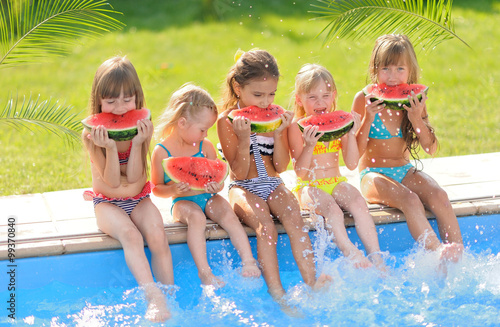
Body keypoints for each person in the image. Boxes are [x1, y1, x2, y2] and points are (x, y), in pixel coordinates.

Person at [217, 50, 331, 307]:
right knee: (266, 229)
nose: (265, 102)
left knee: (295, 219)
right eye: (257, 95)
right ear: (238, 87)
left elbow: (279, 166)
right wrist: (244, 138)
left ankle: (311, 281)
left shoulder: (277, 116)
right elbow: (239, 172)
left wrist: (280, 134)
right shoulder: (226, 121)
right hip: (243, 186)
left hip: (273, 182)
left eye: (271, 94)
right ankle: (278, 293)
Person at [351, 34, 463, 262]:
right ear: (375, 69)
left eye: (400, 69)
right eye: (386, 69)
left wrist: (416, 118)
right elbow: (353, 155)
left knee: (440, 195)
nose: (392, 77)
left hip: (404, 170)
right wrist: (367, 120)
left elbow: (430, 148)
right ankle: (437, 251)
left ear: (411, 70)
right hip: (372, 175)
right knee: (410, 200)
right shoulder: (363, 99)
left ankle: (458, 254)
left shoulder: (415, 99)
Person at [82, 56, 173, 322]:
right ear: (98, 101)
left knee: (157, 234)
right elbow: (111, 181)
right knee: (131, 237)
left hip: (139, 198)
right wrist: (110, 148)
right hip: (106, 203)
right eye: (111, 101)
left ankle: (169, 295)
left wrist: (138, 142)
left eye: (127, 99)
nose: (120, 108)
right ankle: (153, 296)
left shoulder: (142, 128)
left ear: (137, 97)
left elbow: (135, 175)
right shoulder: (92, 135)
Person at [151, 83, 261, 288]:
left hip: (208, 197)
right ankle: (204, 272)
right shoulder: (162, 152)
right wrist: (173, 189)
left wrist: (216, 187)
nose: (205, 135)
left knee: (227, 213)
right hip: (182, 202)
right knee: (196, 217)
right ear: (182, 123)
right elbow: (156, 188)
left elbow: (218, 180)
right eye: (202, 130)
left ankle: (248, 259)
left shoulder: (205, 146)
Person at [288, 63, 385, 269]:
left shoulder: (340, 124)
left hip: (336, 181)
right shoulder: (296, 127)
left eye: (325, 95)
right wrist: (309, 146)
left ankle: (377, 257)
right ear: (299, 99)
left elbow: (351, 164)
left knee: (359, 203)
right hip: (308, 187)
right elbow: (301, 173)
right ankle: (350, 251)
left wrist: (350, 134)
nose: (320, 102)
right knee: (333, 211)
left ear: (334, 95)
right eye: (312, 97)